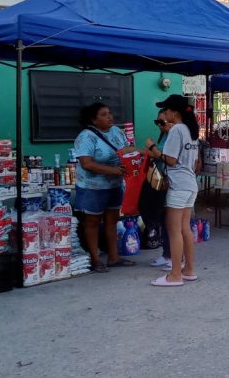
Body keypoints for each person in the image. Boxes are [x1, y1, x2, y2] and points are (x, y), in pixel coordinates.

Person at [73, 102, 138, 273]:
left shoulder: (117, 131)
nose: (110, 117)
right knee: (92, 222)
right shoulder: (85, 137)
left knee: (112, 220)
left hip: (115, 185)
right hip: (92, 187)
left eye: (109, 113)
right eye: (103, 114)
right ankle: (95, 259)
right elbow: (86, 163)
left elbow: (126, 149)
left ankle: (113, 257)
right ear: (93, 120)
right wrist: (112, 170)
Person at [150, 94, 201, 286]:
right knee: (185, 229)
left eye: (165, 110)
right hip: (190, 185)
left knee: (174, 230)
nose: (163, 114)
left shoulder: (177, 130)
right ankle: (188, 269)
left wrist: (154, 149)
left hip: (179, 185)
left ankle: (175, 275)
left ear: (174, 112)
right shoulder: (190, 130)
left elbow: (170, 159)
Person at [140, 111, 171, 268]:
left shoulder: (175, 135)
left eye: (162, 122)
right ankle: (167, 254)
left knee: (171, 222)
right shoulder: (165, 135)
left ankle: (175, 259)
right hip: (160, 180)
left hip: (170, 182)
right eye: (157, 122)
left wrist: (149, 148)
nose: (159, 125)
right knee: (159, 216)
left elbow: (166, 157)